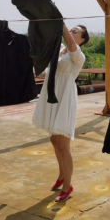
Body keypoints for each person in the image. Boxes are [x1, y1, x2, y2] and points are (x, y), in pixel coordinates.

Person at [32, 24, 89, 202]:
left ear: (82, 39)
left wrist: (60, 22)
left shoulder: (78, 54)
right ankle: (62, 175)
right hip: (53, 95)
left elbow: (70, 44)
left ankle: (68, 185)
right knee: (54, 139)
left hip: (65, 98)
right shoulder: (60, 49)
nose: (71, 32)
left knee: (63, 144)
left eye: (75, 31)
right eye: (70, 30)